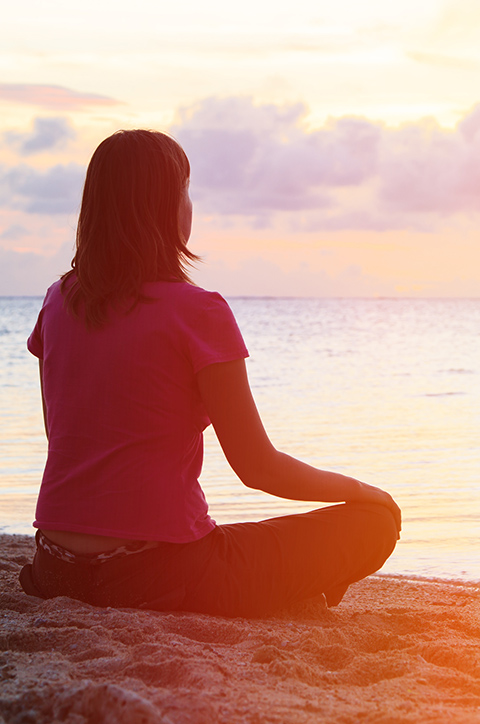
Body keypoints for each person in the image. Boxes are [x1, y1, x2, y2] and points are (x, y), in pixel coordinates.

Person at [19, 129, 401, 618]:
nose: (189, 204)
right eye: (184, 189)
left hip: (54, 570)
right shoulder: (198, 312)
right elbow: (258, 467)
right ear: (161, 206)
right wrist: (366, 493)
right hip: (158, 574)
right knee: (372, 525)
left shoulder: (57, 302)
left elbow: (65, 438)